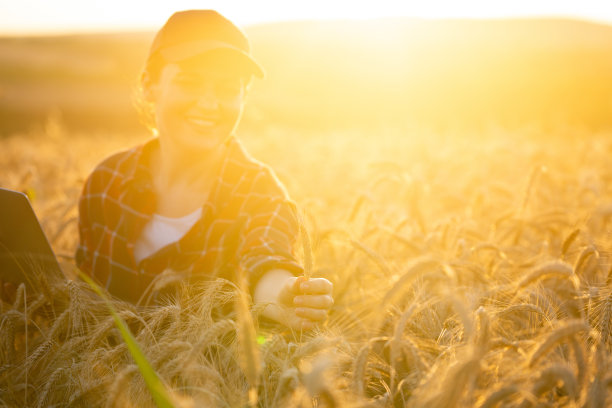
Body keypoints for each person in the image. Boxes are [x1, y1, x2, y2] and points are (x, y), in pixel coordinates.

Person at [73, 10, 333, 330]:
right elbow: (84, 299)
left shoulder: (261, 194)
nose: (209, 104)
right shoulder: (105, 181)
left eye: (227, 89)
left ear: (244, 97)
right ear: (149, 86)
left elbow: (265, 260)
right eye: (190, 82)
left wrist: (281, 296)